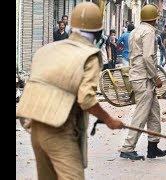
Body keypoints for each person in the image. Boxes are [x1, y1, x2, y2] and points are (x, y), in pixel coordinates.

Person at [16, 2, 124, 180]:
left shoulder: (46, 50)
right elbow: (86, 99)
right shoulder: (90, 55)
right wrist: (110, 120)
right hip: (59, 130)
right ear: (97, 33)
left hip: (34, 127)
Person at [119, 4, 166, 161]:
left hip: (138, 76)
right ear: (154, 19)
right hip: (144, 78)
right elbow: (147, 57)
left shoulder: (135, 31)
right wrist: (156, 77)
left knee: (154, 112)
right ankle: (127, 147)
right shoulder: (149, 31)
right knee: (141, 114)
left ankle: (153, 147)